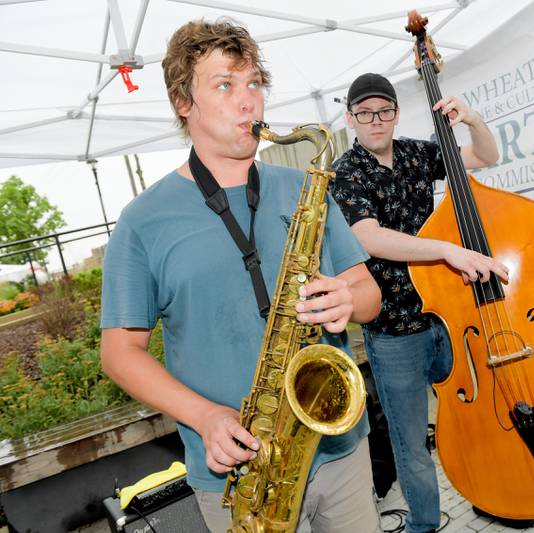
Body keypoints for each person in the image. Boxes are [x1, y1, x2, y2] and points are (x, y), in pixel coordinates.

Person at [99, 20, 382, 533]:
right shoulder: (142, 221)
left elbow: (369, 294)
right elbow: (120, 352)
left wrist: (349, 298)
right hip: (241, 476)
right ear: (183, 102)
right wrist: (206, 416)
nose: (248, 101)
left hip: (340, 446)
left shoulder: (305, 186)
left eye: (254, 84)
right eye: (225, 85)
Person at [329, 73, 508, 533]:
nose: (376, 121)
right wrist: (447, 249)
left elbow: (487, 156)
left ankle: (495, 496)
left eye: (384, 110)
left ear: (396, 113)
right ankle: (425, 524)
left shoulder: (415, 152)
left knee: (477, 419)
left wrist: (472, 120)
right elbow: (368, 238)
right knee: (411, 444)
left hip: (449, 316)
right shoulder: (346, 171)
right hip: (393, 331)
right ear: (350, 118)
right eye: (364, 113)